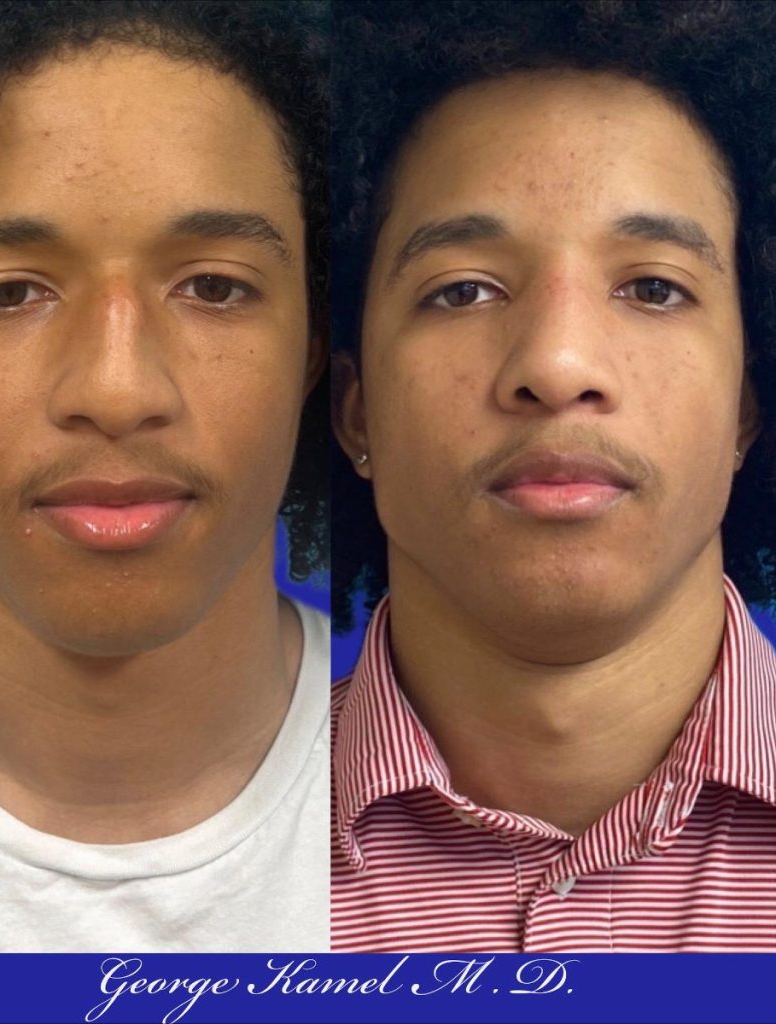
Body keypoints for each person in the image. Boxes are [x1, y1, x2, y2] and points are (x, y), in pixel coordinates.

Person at [331, 0, 776, 952]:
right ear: (354, 411)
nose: (559, 362)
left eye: (653, 287)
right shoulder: (156, 863)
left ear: (747, 404)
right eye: (462, 289)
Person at [0, 0, 330, 953]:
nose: (118, 388)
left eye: (214, 286)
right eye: (10, 292)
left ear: (315, 349)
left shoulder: (473, 815)